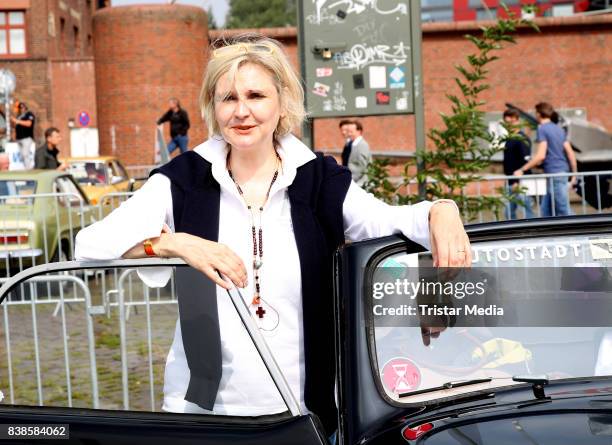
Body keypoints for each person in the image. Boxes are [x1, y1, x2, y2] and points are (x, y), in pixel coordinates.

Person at [74, 36, 470, 437]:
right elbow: (89, 245)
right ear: (213, 106)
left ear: (282, 101)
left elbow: (388, 222)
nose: (242, 111)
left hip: (304, 414)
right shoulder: (182, 180)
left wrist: (441, 210)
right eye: (228, 98)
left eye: (255, 95)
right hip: (205, 415)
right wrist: (171, 243)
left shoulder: (319, 178)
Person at [514, 102, 577, 217]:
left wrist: (522, 169)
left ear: (538, 114)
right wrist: (574, 175)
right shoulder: (559, 129)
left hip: (555, 174)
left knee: (563, 209)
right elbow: (570, 153)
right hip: (559, 173)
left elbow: (540, 155)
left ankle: (582, 231)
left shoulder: (542, 129)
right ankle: (549, 234)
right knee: (546, 211)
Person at [502, 109, 534, 220]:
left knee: (526, 211)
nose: (509, 125)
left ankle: (532, 233)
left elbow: (525, 160)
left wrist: (517, 181)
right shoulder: (509, 139)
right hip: (510, 181)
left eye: (512, 122)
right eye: (507, 123)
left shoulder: (522, 138)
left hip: (521, 182)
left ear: (518, 121)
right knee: (508, 213)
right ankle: (513, 235)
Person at [344, 120, 371, 186]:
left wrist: (350, 180)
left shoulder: (362, 145)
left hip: (360, 183)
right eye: (348, 132)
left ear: (359, 131)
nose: (349, 134)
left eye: (351, 132)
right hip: (355, 182)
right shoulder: (352, 144)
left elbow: (363, 167)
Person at [10, 102, 36, 169]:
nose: (21, 109)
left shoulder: (29, 114)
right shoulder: (19, 116)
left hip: (27, 137)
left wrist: (17, 121)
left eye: (22, 107)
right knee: (22, 155)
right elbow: (15, 127)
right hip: (19, 138)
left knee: (25, 154)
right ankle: (25, 167)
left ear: (25, 107)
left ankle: (29, 169)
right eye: (20, 108)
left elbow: (29, 124)